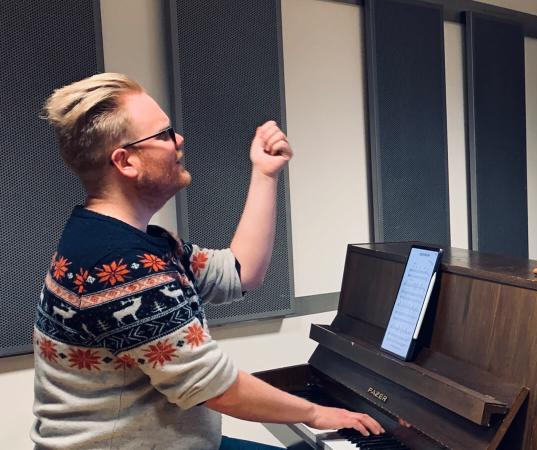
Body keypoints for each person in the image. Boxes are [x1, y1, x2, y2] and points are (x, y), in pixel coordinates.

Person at [32, 73, 383, 449]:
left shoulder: (136, 243)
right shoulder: (118, 264)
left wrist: (264, 174)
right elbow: (214, 386)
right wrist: (316, 413)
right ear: (126, 161)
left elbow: (239, 273)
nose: (178, 140)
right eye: (164, 134)